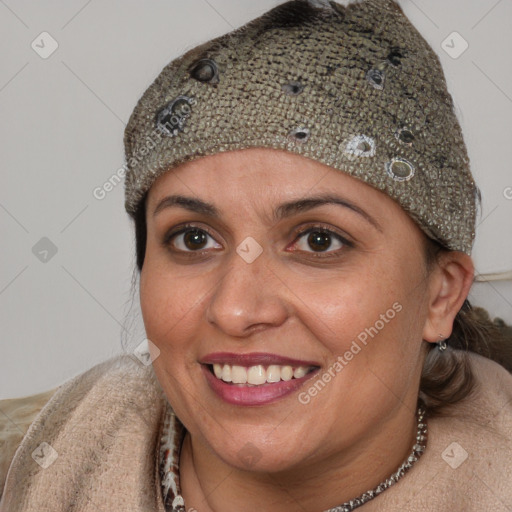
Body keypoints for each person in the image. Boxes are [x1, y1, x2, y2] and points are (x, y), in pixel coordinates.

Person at [1, 0, 511, 510]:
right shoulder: (39, 469)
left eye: (318, 241)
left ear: (439, 296)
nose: (236, 310)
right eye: (194, 239)